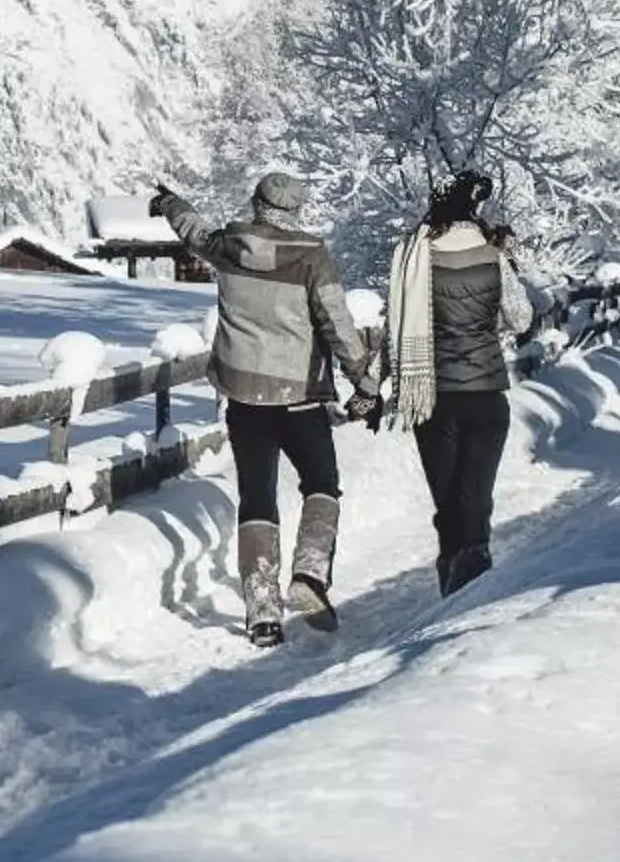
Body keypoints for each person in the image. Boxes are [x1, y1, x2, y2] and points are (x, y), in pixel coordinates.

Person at [153, 173, 379, 646]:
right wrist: (364, 379)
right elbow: (337, 322)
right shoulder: (311, 257)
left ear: (256, 204)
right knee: (321, 483)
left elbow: (192, 231)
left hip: (244, 397)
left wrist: (170, 203)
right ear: (295, 211)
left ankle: (262, 611)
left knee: (257, 496)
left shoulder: (227, 245)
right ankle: (310, 574)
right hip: (299, 396)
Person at [383, 169, 534, 597]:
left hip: (432, 396)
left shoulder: (414, 257)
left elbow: (394, 324)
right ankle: (472, 581)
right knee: (475, 497)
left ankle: (453, 584)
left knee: (447, 503)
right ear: (476, 208)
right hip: (486, 392)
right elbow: (521, 317)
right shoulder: (493, 256)